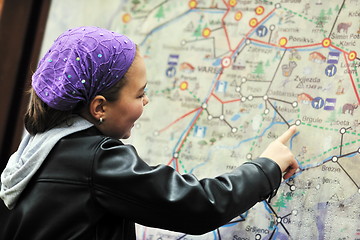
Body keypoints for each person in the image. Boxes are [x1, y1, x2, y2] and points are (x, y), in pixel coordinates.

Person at [0, 26, 299, 239]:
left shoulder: (33, 150)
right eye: (139, 93)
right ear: (99, 107)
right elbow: (198, 206)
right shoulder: (94, 160)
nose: (146, 100)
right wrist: (266, 167)